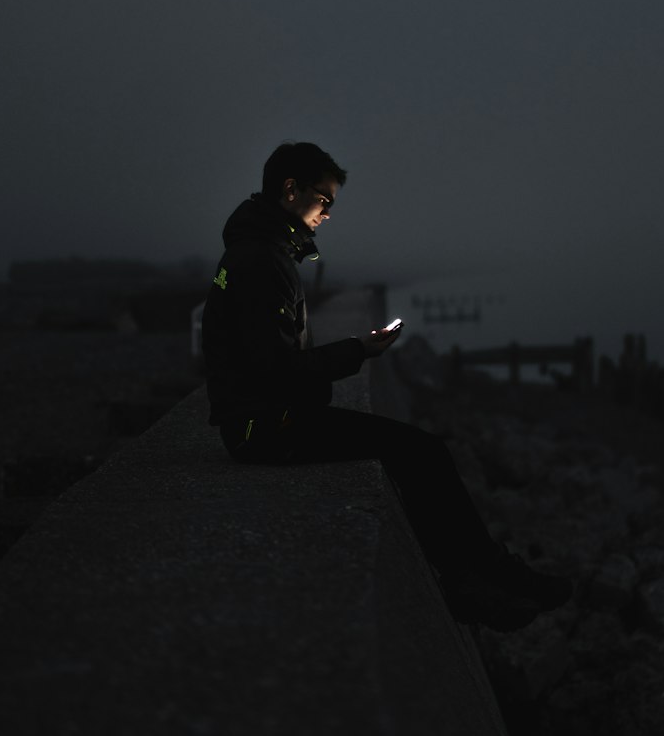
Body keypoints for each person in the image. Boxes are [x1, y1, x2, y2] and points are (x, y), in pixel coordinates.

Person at [202, 141, 572, 630]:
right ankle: (480, 577)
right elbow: (276, 370)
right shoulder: (261, 260)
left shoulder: (257, 251)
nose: (328, 214)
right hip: (265, 427)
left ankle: (483, 574)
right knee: (422, 453)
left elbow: (265, 361)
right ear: (290, 190)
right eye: (324, 200)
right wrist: (360, 350)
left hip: (263, 416)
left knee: (419, 452)